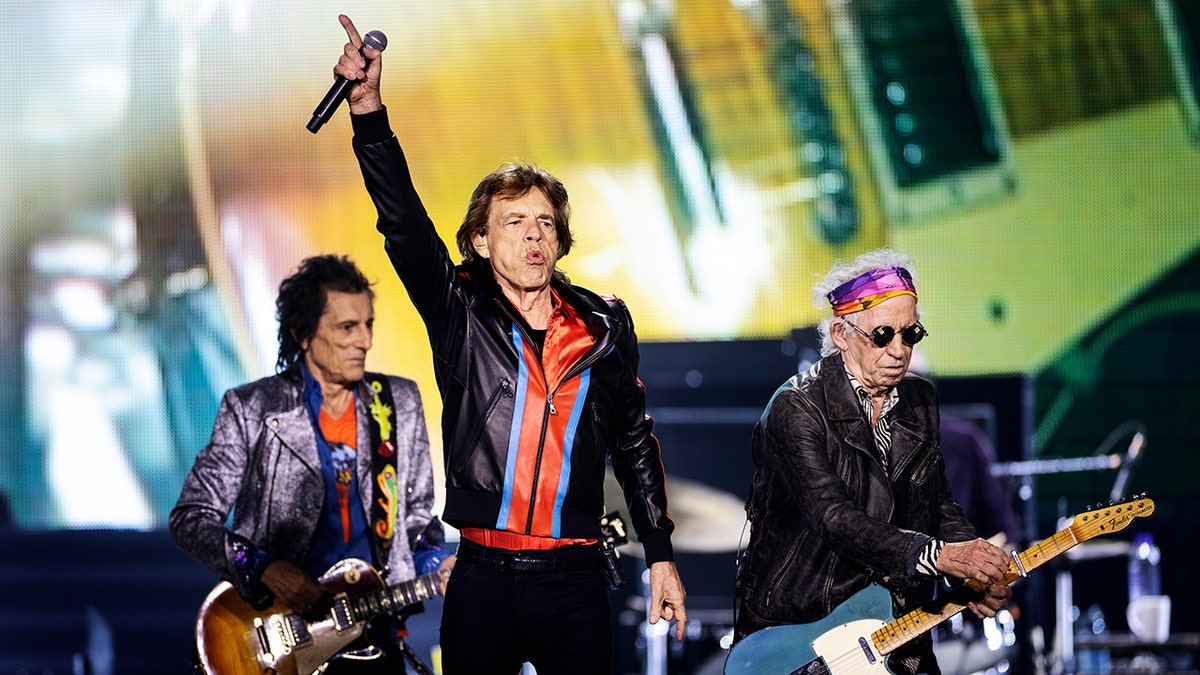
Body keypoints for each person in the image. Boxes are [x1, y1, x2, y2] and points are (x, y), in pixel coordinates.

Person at [329, 14, 687, 674]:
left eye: (545, 222)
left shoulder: (602, 327)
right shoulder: (459, 309)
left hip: (575, 578)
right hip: (483, 576)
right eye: (514, 221)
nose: (533, 235)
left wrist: (660, 552)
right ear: (481, 241)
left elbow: (634, 438)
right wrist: (368, 113)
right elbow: (403, 224)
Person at [733, 248, 1012, 675]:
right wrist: (941, 557)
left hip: (899, 627)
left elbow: (938, 505)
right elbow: (834, 518)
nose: (899, 350)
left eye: (910, 334)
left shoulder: (919, 400)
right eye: (882, 334)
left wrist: (969, 573)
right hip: (805, 634)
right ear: (841, 334)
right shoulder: (797, 406)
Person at [170, 254, 451, 673]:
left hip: (373, 635)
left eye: (368, 324)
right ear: (303, 335)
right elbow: (191, 518)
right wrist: (262, 569)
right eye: (346, 328)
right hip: (276, 641)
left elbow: (415, 520)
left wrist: (437, 565)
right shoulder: (252, 409)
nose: (364, 341)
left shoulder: (398, 402)